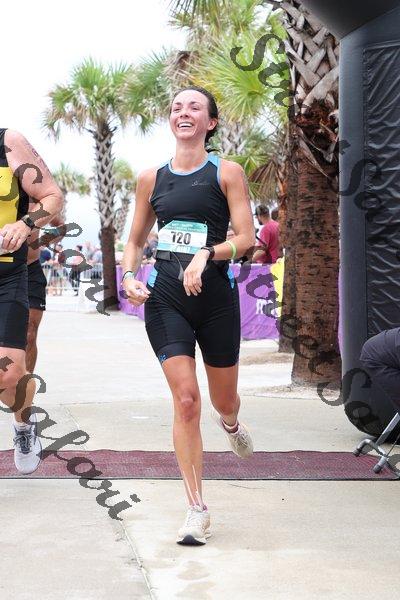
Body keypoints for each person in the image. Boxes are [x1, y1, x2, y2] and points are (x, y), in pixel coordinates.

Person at [122, 86, 255, 546]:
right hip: (167, 300)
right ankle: (196, 508)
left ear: (210, 122)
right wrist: (129, 276)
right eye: (177, 107)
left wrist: (207, 254)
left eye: (195, 107)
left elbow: (246, 238)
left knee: (224, 401)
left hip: (216, 300)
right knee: (186, 400)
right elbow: (135, 240)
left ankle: (231, 424)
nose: (184, 112)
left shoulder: (226, 172)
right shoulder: (151, 178)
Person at [0, 128, 63, 473]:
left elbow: (52, 197)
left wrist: (26, 224)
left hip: (9, 273)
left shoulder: (8, 143)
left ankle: (23, 425)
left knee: (10, 374)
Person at [26, 218, 65, 373]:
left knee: (30, 333)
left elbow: (61, 226)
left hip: (29, 269)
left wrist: (43, 240)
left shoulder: (35, 202)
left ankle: (25, 385)